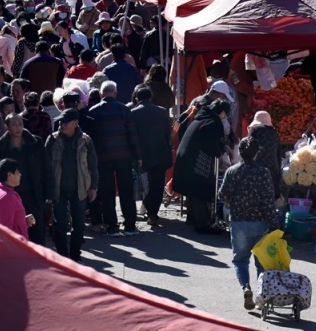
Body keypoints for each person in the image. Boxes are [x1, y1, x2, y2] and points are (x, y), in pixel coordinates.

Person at [218, 137, 278, 310]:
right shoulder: (263, 173)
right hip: (260, 223)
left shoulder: (231, 171)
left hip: (238, 223)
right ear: (257, 153)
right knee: (262, 263)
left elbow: (222, 196)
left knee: (240, 261)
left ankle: (246, 288)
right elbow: (268, 202)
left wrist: (232, 202)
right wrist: (274, 226)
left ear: (240, 153)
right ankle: (260, 297)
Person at [88, 81, 142, 237]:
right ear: (116, 93)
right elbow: (133, 135)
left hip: (102, 158)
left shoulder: (93, 111)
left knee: (107, 192)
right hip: (124, 156)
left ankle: (112, 226)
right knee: (126, 190)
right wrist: (138, 156)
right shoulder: (125, 110)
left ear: (100, 94)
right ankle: (130, 225)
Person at [46, 108, 98, 262]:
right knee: (59, 224)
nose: (62, 125)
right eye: (61, 122)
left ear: (76, 123)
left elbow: (93, 165)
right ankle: (62, 256)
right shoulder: (53, 140)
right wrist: (47, 190)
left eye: (66, 122)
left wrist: (93, 187)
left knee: (79, 225)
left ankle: (75, 254)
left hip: (79, 189)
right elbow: (46, 166)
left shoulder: (85, 140)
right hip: (58, 190)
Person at [174, 99, 230, 234]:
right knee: (199, 190)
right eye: (226, 114)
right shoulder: (213, 123)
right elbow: (212, 145)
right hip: (196, 160)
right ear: (222, 113)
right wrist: (221, 150)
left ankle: (193, 218)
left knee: (192, 190)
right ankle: (201, 224)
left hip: (186, 157)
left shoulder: (202, 117)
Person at [0, 113, 49, 245]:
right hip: (12, 194)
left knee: (38, 232)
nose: (18, 128)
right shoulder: (1, 146)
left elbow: (47, 169)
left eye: (20, 124)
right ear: (7, 127)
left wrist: (49, 193)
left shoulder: (36, 142)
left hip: (34, 194)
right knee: (15, 232)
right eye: (14, 125)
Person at [130, 86, 172, 226]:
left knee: (144, 184)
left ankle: (147, 209)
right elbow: (168, 133)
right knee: (157, 184)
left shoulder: (133, 113)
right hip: (160, 153)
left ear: (137, 99)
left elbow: (132, 136)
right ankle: (153, 213)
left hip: (142, 155)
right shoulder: (162, 111)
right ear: (150, 97)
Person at [0, 159, 34, 239]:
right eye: (17, 172)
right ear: (9, 175)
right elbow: (7, 230)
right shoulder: (6, 197)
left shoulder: (6, 192)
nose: (20, 175)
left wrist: (22, 221)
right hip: (13, 247)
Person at [246, 112, 282, 200]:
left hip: (257, 166)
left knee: (256, 196)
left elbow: (249, 147)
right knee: (270, 196)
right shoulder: (274, 133)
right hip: (272, 169)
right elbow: (279, 154)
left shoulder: (254, 130)